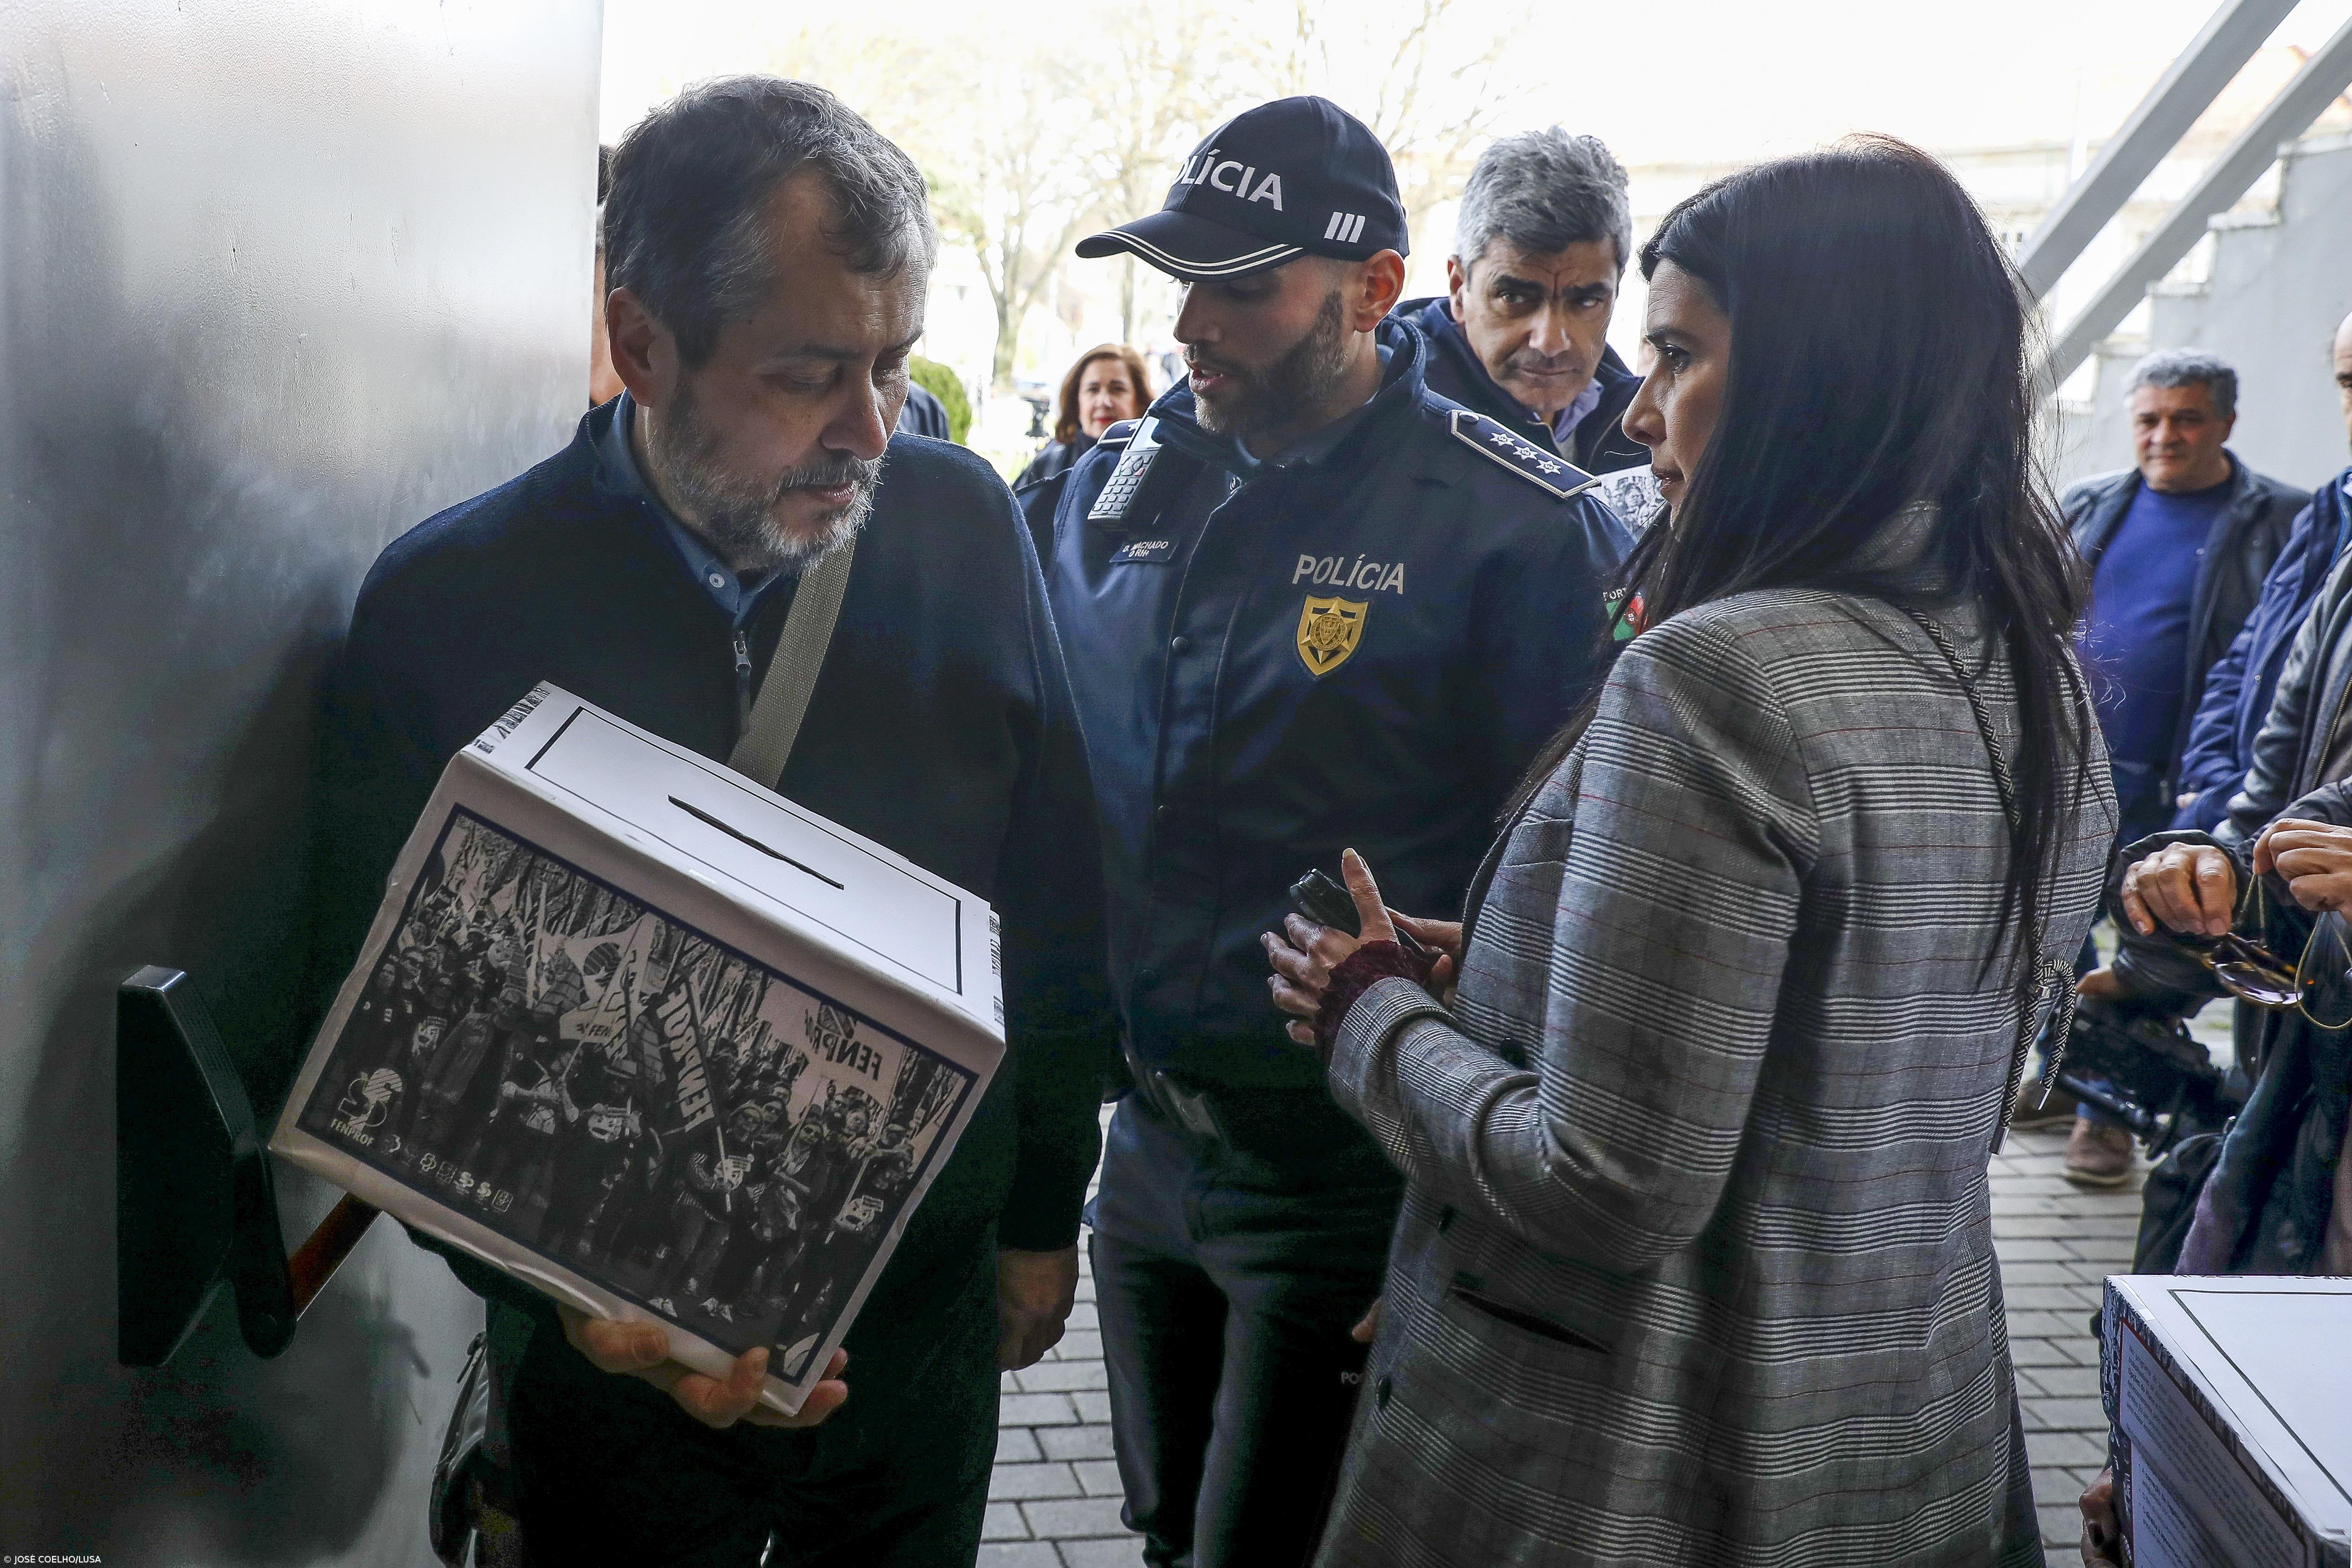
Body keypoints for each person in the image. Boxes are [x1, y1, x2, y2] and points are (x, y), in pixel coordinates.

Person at [1264, 136, 2114, 1566]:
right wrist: (1523, 971)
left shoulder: (1717, 676)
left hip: (1644, 1462)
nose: (1636, 408)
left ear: (1812, 384)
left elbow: (1606, 1177)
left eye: (1674, 354)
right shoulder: (2033, 675)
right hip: (1905, 1431)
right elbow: (1842, 1045)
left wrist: (1368, 1016)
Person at [304, 77, 1117, 1565]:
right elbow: (373, 1025)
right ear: (640, 345)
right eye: (809, 373)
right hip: (601, 1369)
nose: (872, 429)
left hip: (917, 1335)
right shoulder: (448, 605)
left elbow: (1057, 890)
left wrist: (1040, 1207)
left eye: (896, 361)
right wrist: (550, 1289)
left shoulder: (962, 524)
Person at [1046, 96, 1631, 1568]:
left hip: (1354, 1171)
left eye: (1244, 285)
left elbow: (1574, 892)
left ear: (1372, 291)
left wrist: (1478, 1217)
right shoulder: (1129, 481)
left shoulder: (1512, 526)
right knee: (1168, 1529)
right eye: (1184, 282)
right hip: (1150, 1148)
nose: (1193, 322)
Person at [2036, 349, 2306, 1187]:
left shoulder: (2278, 519)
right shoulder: (2093, 504)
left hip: (2185, 777)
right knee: (2057, 933)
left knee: (2153, 943)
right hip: (2078, 763)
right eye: (2150, 419)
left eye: (2186, 418)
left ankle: (2106, 1121)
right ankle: (2061, 1073)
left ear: (2224, 422)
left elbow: (2269, 660)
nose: (2165, 436)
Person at [1392, 128, 1650, 519]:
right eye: (1515, 298)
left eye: (1585, 301)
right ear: (1459, 288)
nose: (1550, 342)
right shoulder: (1381, 416)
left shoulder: (1649, 430)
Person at [2171, 311, 2352, 833]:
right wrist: (2215, 784)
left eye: (2188, 418)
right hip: (2261, 827)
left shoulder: (2278, 508)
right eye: (2349, 382)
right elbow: (2249, 657)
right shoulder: (2328, 509)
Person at [1016, 344, 1153, 488]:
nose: (1104, 402)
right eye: (1093, 390)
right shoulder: (1048, 466)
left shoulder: (1157, 467)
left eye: (1118, 389)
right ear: (1077, 402)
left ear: (1140, 402)